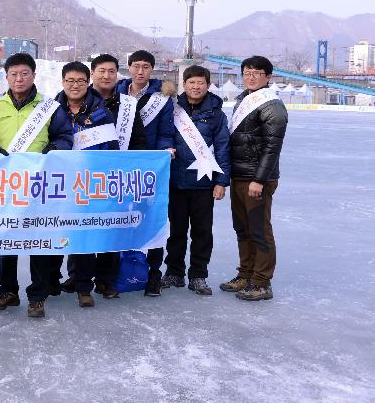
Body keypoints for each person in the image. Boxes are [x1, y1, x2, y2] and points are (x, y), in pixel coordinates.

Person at [0, 52, 73, 318]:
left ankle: (37, 295)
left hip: (39, 183)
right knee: (8, 238)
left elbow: (66, 137)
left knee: (38, 239)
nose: (19, 79)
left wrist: (52, 150)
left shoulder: (50, 107)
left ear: (33, 75)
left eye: (24, 74)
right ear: (7, 77)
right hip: (7, 183)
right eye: (14, 74)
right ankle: (7, 290)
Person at [220, 55, 288, 301]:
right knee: (242, 229)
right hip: (239, 175)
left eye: (257, 73)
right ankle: (245, 274)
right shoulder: (244, 100)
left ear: (268, 77)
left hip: (257, 179)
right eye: (247, 73)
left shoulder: (272, 106)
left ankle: (261, 282)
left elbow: (272, 148)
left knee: (259, 230)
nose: (250, 77)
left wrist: (259, 180)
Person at [52, 61, 119, 308]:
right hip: (57, 184)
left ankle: (84, 287)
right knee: (56, 232)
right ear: (62, 82)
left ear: (88, 82)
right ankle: (53, 280)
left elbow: (111, 150)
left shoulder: (102, 112)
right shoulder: (50, 110)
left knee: (85, 236)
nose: (75, 85)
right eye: (70, 81)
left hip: (88, 183)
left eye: (80, 81)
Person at [161, 65, 230, 295]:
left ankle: (198, 275)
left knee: (202, 232)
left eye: (201, 83)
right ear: (184, 84)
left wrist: (221, 181)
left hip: (204, 183)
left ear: (208, 85)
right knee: (176, 230)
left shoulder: (217, 115)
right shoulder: (172, 109)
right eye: (192, 82)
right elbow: (164, 137)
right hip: (176, 181)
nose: (196, 86)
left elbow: (223, 149)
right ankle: (174, 271)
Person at [115, 49, 176, 296]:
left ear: (152, 69)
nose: (140, 71)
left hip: (149, 170)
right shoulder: (116, 92)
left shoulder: (161, 97)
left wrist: (164, 151)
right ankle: (114, 272)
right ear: (128, 67)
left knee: (153, 222)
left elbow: (165, 132)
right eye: (136, 66)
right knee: (115, 220)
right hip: (118, 168)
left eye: (146, 67)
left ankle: (153, 274)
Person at [89, 54, 147, 299]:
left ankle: (107, 279)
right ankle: (78, 276)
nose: (106, 76)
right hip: (84, 177)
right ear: (92, 73)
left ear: (117, 74)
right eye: (101, 71)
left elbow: (139, 141)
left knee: (111, 229)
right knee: (82, 228)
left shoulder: (127, 105)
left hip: (116, 180)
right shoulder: (79, 99)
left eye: (111, 71)